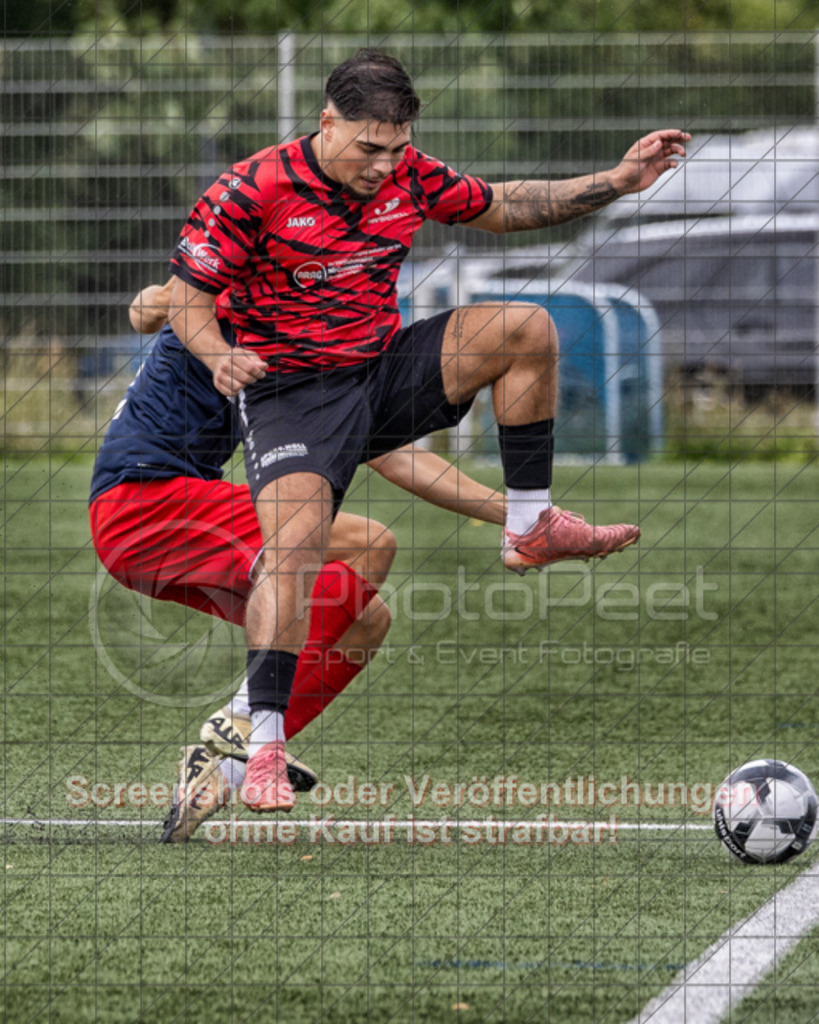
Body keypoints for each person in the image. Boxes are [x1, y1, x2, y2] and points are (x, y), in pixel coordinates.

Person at [168, 48, 688, 813]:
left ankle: (527, 525)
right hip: (290, 391)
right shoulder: (251, 190)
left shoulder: (409, 174)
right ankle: (266, 743)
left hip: (381, 368)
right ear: (326, 122)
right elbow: (185, 298)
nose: (384, 165)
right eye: (367, 148)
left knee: (524, 328)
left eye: (397, 149)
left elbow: (505, 203)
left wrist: (615, 182)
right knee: (297, 545)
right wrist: (217, 356)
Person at [91, 281, 506, 841]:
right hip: (148, 503)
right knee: (369, 544)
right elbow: (146, 305)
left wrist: (520, 513)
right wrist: (196, 298)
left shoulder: (291, 341)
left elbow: (396, 458)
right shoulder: (237, 282)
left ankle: (225, 768)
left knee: (366, 619)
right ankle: (237, 725)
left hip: (147, 522)